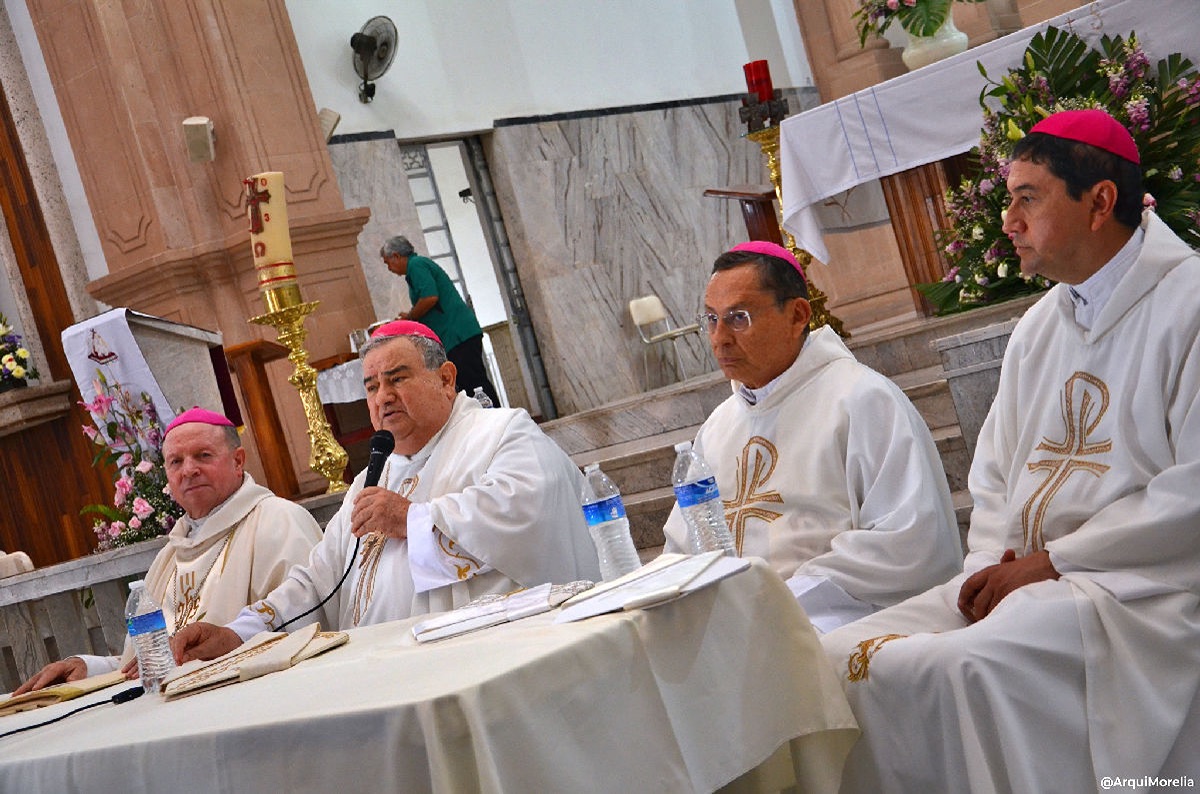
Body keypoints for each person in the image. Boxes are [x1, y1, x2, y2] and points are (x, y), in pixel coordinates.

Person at [821, 108, 1200, 790]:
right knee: (839, 654)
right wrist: (994, 568)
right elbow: (994, 475)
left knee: (957, 666)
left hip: (1140, 587)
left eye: (1027, 198)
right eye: (1006, 200)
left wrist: (1055, 562)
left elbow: (1192, 493)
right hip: (1032, 574)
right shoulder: (1037, 329)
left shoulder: (1190, 303)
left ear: (1100, 202)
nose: (1007, 221)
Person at [171, 320, 600, 663]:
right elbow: (321, 579)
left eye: (397, 378)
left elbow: (526, 512)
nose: (383, 397)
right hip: (382, 666)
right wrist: (239, 631)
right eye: (372, 386)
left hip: (483, 659)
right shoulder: (371, 478)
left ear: (446, 379)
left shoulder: (500, 432)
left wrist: (412, 519)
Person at [662, 241, 961, 632]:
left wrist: (777, 600)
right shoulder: (717, 428)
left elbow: (910, 542)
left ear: (798, 314)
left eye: (738, 318)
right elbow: (683, 549)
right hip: (740, 622)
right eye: (712, 320)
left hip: (844, 615)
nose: (720, 339)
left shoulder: (861, 398)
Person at [13, 408, 321, 694]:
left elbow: (306, 629)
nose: (189, 470)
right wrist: (88, 668)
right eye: (176, 461)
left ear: (238, 461)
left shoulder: (279, 522)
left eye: (203, 456)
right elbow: (150, 662)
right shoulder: (170, 556)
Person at [381, 235, 500, 406]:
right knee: (468, 383)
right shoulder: (416, 267)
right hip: (454, 335)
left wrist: (409, 317)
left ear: (397, 256)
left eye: (388, 263)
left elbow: (430, 297)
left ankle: (496, 421)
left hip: (457, 333)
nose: (389, 268)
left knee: (474, 383)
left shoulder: (416, 265)